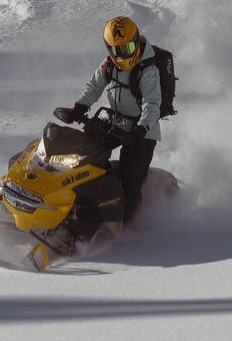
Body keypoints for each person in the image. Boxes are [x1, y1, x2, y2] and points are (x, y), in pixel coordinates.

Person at [53, 16, 161, 224]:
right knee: (81, 158)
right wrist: (79, 108)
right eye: (117, 50)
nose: (123, 55)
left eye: (128, 48)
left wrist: (140, 129)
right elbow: (93, 87)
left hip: (142, 131)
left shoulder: (149, 70)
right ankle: (69, 205)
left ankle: (129, 226)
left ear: (136, 42)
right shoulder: (109, 64)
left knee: (131, 181)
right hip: (114, 123)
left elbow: (152, 104)